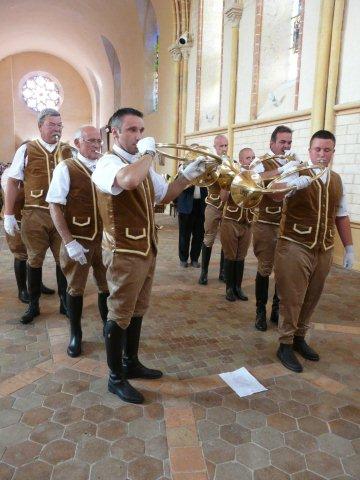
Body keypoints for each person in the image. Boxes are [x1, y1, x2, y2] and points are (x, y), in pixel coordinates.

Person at [92, 107, 215, 404]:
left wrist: (187, 175)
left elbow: (165, 194)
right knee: (119, 312)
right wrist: (147, 155)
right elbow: (129, 181)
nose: (139, 135)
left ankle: (130, 361)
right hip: (123, 252)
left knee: (137, 310)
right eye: (132, 130)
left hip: (146, 248)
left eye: (141, 130)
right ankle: (115, 377)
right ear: (115, 132)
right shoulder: (107, 163)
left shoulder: (140, 163)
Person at [274, 130, 355, 372]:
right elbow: (275, 194)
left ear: (332, 152)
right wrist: (290, 182)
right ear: (310, 151)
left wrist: (349, 248)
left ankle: (299, 337)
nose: (322, 154)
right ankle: (285, 343)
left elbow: (341, 215)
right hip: (294, 244)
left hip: (324, 247)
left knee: (312, 295)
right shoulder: (296, 170)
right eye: (317, 149)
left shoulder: (336, 180)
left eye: (327, 149)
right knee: (292, 296)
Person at [3, 108, 73, 324]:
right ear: (40, 126)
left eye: (60, 125)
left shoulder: (68, 150)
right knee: (34, 259)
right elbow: (13, 181)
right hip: (34, 213)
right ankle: (33, 304)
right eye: (52, 125)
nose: (57, 129)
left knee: (64, 260)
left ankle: (64, 302)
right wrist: (8, 214)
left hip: (62, 214)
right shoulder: (26, 149)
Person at [47, 126, 109, 358]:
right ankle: (76, 334)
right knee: (75, 288)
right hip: (78, 240)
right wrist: (68, 241)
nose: (96, 145)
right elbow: (54, 205)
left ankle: (107, 327)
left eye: (98, 141)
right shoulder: (67, 167)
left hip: (105, 240)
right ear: (77, 142)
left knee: (106, 286)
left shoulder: (107, 165)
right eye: (91, 140)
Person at [251, 125, 298, 331]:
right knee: (265, 267)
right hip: (265, 223)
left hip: (286, 224)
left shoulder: (293, 161)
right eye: (282, 142)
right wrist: (280, 170)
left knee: (283, 269)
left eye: (289, 142)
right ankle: (260, 311)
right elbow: (253, 180)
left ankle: (276, 309)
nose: (286, 147)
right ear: (272, 143)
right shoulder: (261, 162)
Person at [1, 166, 55, 303]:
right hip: (16, 219)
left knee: (36, 252)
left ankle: (38, 284)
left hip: (33, 219)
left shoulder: (34, 171)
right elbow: (13, 194)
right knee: (20, 254)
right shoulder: (10, 173)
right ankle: (22, 289)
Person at [220, 148, 255, 301]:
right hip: (231, 220)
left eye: (253, 157)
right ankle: (229, 288)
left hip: (247, 221)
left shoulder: (255, 177)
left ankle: (238, 287)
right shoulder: (232, 174)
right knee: (230, 255)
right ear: (241, 160)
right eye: (248, 158)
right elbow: (222, 198)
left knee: (241, 256)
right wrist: (226, 183)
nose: (251, 160)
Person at [198, 134, 228, 285]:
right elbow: (204, 180)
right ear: (215, 147)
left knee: (226, 240)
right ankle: (204, 272)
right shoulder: (210, 164)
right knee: (209, 238)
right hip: (213, 204)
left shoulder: (231, 163)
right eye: (221, 146)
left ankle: (223, 272)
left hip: (227, 206)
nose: (224, 148)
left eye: (226, 145)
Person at [176, 183, 207, 268]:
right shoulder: (184, 170)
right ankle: (183, 259)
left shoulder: (204, 171)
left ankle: (194, 259)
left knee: (199, 235)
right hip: (186, 206)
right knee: (184, 235)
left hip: (201, 206)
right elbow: (178, 186)